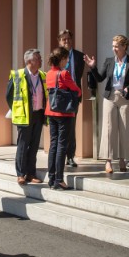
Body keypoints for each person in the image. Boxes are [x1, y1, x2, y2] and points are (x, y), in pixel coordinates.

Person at [85, 35, 129, 173]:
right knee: (109, 129)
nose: (114, 49)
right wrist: (93, 67)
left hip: (126, 98)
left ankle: (123, 159)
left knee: (126, 129)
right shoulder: (109, 61)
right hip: (110, 97)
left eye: (116, 46)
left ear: (124, 47)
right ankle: (108, 161)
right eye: (113, 46)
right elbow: (100, 78)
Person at [6, 49, 46, 185]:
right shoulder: (18, 75)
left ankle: (31, 173)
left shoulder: (42, 75)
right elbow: (9, 96)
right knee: (23, 145)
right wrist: (17, 110)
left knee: (34, 146)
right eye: (38, 59)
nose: (41, 60)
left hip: (39, 114)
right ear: (29, 61)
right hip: (24, 115)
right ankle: (21, 174)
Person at [45, 47, 81, 190]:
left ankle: (52, 178)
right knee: (62, 145)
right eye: (65, 59)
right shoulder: (64, 73)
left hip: (51, 111)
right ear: (61, 59)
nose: (67, 61)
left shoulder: (48, 73)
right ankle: (59, 179)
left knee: (53, 144)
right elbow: (76, 90)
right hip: (64, 113)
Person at [58, 29, 85, 167]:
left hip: (73, 97)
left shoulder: (80, 56)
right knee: (61, 128)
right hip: (60, 98)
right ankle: (59, 157)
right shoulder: (56, 57)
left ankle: (70, 157)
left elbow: (80, 75)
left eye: (68, 38)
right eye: (64, 39)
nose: (66, 41)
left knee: (71, 127)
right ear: (59, 41)